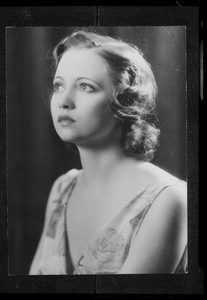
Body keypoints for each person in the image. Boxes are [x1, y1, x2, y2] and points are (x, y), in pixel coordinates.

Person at [29, 30, 187, 275]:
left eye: (85, 87)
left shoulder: (169, 200)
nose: (64, 101)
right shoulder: (62, 189)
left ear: (125, 102)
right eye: (58, 86)